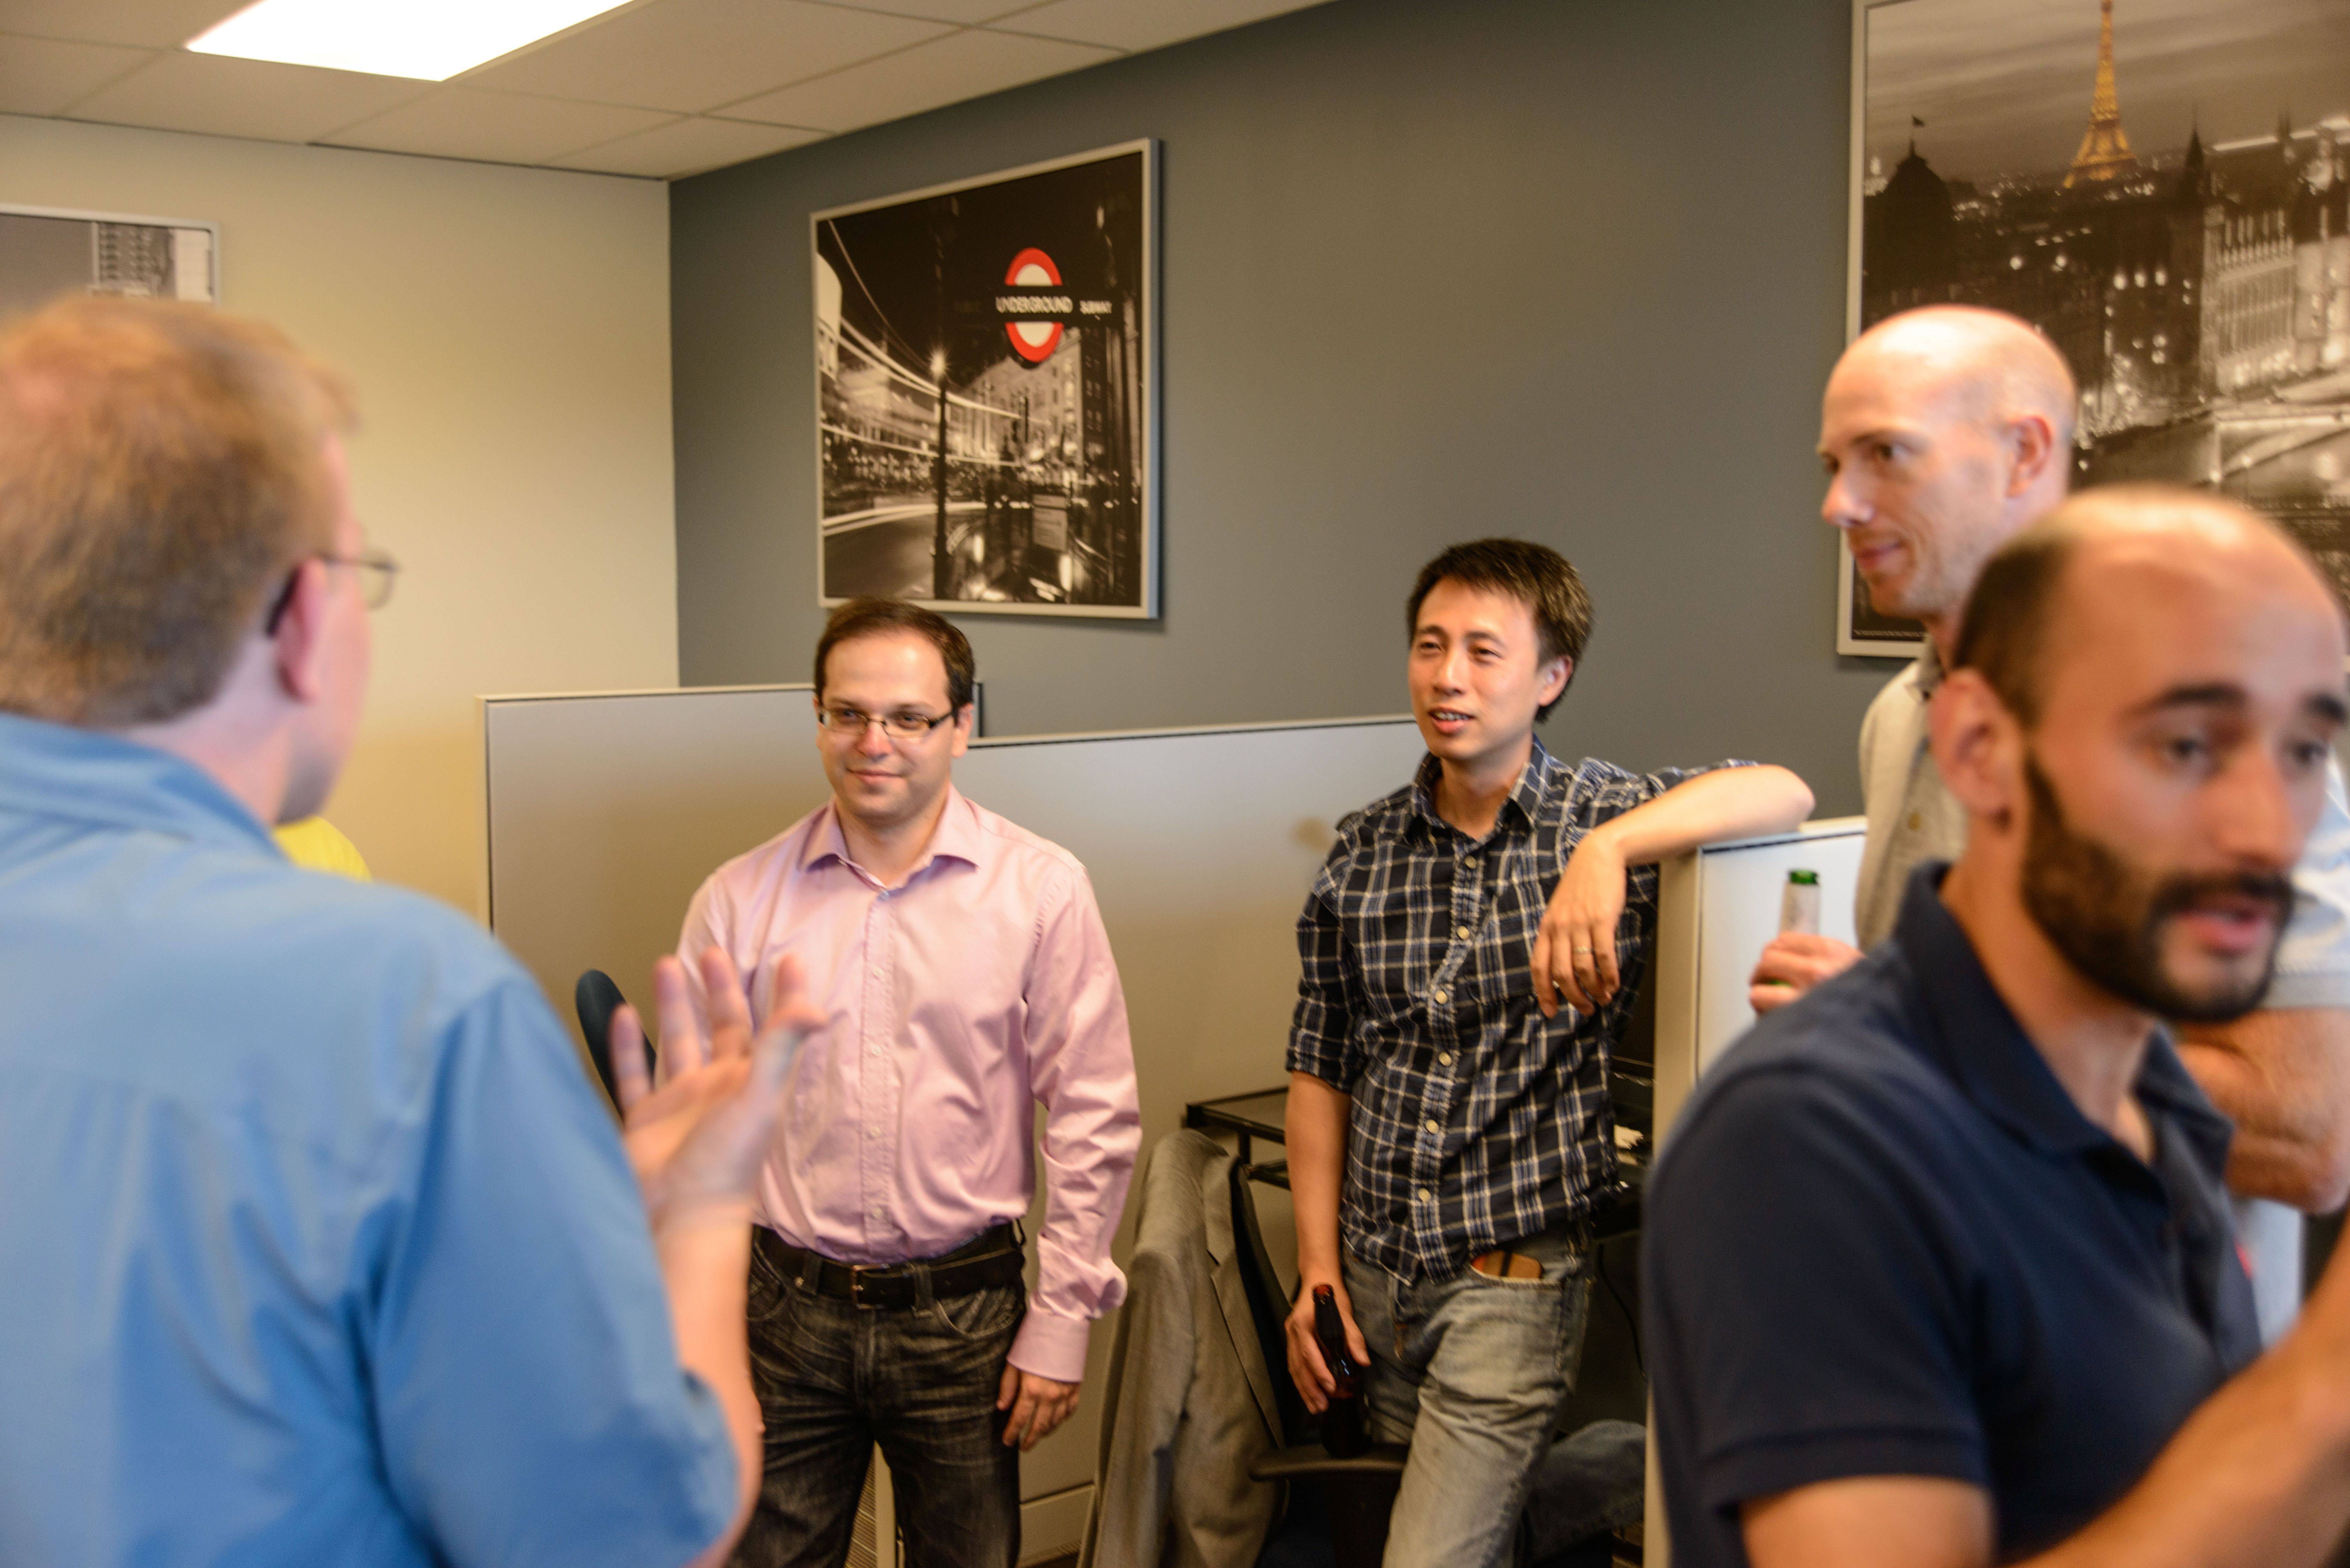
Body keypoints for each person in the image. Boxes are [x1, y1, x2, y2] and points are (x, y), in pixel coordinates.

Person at [0, 296, 815, 1566]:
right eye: (355, 569)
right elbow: (637, 1538)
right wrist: (706, 1215)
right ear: (298, 618)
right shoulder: (405, 1006)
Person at [1646, 487, 2350, 1568]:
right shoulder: (1813, 1138)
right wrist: (2325, 1392)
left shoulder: (2155, 1098)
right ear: (1979, 747)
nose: (2268, 831)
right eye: (2186, 745)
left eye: (2304, 751)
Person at [1738, 305, 2350, 1335]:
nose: (1839, 504)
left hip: (2148, 1363)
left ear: (2025, 455)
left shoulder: (2212, 728)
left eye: (1887, 455)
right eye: (1835, 465)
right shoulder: (1902, 718)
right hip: (1939, 1324)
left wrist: (1909, 1029)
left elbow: (2309, 1137)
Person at [1281, 538, 1813, 1568]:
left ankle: (1651, 1468)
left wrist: (1610, 852)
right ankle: (1638, 1466)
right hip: (1375, 1281)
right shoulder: (1362, 849)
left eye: (1484, 652)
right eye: (1430, 646)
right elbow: (1320, 1069)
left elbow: (1782, 790)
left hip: (1510, 1287)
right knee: (1422, 1536)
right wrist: (1317, 1275)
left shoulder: (1600, 817)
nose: (1448, 677)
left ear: (1552, 677)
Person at [674, 597, 1141, 1568]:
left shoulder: (1041, 890)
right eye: (848, 714)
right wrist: (705, 1334)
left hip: (963, 1315)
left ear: (962, 725)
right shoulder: (739, 899)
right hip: (785, 1313)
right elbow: (701, 1142)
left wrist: (1062, 1321)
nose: (873, 742)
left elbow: (1093, 1114)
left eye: (909, 718)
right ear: (817, 719)